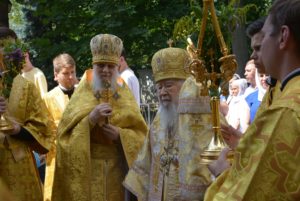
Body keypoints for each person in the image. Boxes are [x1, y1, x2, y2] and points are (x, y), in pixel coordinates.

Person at [205, 0, 300, 200]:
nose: (255, 54)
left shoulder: (287, 109)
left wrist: (222, 171)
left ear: (283, 36)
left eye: (264, 37)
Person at [51, 33, 148, 201]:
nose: (105, 70)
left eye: (110, 66)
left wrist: (120, 135)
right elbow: (64, 136)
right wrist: (90, 119)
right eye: (100, 65)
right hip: (89, 171)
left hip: (118, 173)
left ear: (118, 66)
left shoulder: (123, 89)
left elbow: (141, 134)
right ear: (93, 65)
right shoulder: (83, 88)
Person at [123, 47, 192, 200]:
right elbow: (144, 161)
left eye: (168, 85)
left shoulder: (202, 116)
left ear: (187, 85)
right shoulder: (158, 122)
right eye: (159, 87)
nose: (162, 92)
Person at [0, 27, 55, 201]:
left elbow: (45, 129)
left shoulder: (25, 86)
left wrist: (18, 130)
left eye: (9, 48)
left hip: (19, 165)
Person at [43, 53, 77, 201]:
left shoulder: (84, 94)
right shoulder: (47, 98)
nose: (70, 77)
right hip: (58, 157)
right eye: (65, 73)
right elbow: (44, 131)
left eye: (72, 72)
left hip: (82, 155)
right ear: (56, 75)